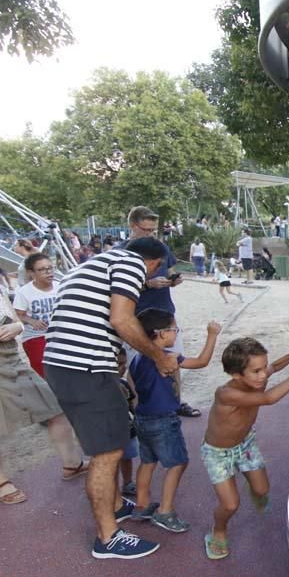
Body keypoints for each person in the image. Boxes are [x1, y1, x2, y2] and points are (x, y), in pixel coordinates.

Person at [43, 236, 180, 559]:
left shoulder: (92, 265)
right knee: (106, 452)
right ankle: (108, 537)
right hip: (86, 367)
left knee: (111, 440)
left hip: (63, 364)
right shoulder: (131, 264)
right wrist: (158, 356)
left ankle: (116, 506)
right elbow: (121, 319)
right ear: (154, 263)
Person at [0, 234, 87, 505]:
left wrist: (14, 327)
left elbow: (16, 320)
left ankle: (72, 463)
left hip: (10, 357)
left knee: (54, 407)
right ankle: (1, 483)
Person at [202, 338, 289, 559]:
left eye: (263, 368)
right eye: (256, 371)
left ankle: (255, 489)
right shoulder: (225, 393)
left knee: (262, 490)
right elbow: (268, 399)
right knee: (230, 505)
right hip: (218, 453)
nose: (263, 375)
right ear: (236, 374)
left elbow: (275, 367)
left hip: (245, 444)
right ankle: (218, 531)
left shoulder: (255, 378)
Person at [128, 310, 221, 532]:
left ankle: (141, 504)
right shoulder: (167, 357)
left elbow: (131, 384)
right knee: (177, 463)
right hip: (163, 419)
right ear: (160, 333)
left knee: (148, 461)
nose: (176, 334)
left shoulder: (137, 358)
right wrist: (212, 335)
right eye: (174, 330)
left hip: (142, 417)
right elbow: (201, 362)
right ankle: (165, 511)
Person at [118, 206, 200, 418]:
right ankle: (136, 407)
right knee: (137, 363)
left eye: (153, 230)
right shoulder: (121, 253)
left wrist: (174, 281)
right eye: (146, 230)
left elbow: (170, 271)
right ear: (133, 226)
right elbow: (117, 292)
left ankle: (176, 401)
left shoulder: (159, 248)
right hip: (137, 318)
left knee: (174, 358)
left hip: (165, 313)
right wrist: (147, 284)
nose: (151, 234)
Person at [12, 252, 58, 377]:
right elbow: (17, 315)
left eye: (50, 268)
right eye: (42, 269)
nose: (48, 272)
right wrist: (31, 321)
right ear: (31, 273)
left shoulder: (60, 287)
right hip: (36, 336)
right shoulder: (24, 292)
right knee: (43, 369)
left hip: (59, 334)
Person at [116, 348, 139, 497]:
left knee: (127, 457)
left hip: (128, 428)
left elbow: (132, 403)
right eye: (118, 364)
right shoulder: (100, 387)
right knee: (110, 461)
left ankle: (128, 482)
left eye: (124, 363)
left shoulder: (124, 383)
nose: (123, 367)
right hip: (111, 431)